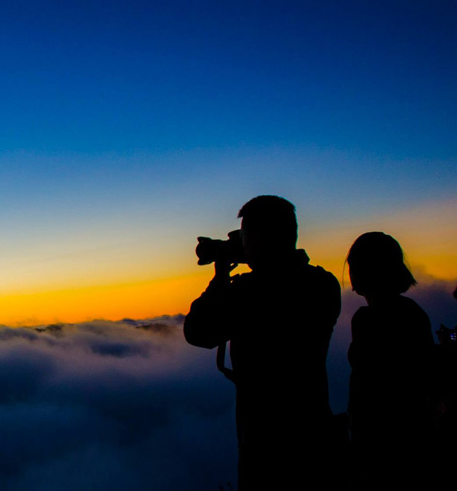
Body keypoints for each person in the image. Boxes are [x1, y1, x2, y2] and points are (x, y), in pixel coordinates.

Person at [184, 195, 342, 490]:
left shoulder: (248, 292)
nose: (242, 244)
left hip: (264, 440)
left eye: (245, 236)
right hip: (313, 429)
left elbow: (197, 332)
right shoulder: (324, 284)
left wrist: (219, 280)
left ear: (259, 238)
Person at [346, 232, 434, 489]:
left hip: (381, 450)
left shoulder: (368, 319)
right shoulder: (413, 312)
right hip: (415, 442)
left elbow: (369, 391)